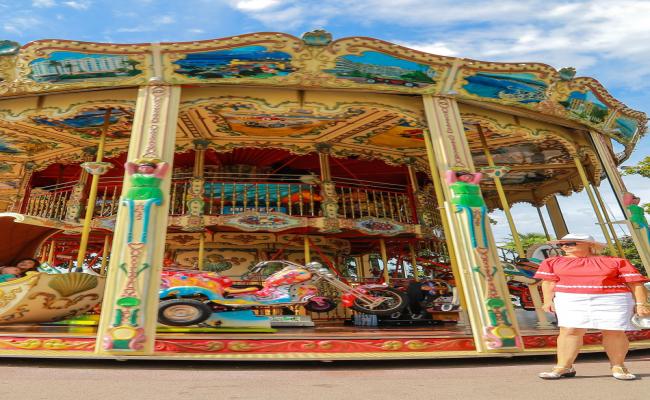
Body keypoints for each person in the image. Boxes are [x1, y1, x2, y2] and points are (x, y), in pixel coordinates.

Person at [535, 234, 650, 380]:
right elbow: (548, 282)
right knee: (569, 330)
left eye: (570, 243)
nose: (564, 246)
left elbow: (635, 283)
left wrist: (641, 304)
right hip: (569, 299)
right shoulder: (552, 262)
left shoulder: (615, 262)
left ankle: (618, 366)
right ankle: (563, 367)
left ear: (589, 244)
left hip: (612, 299)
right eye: (561, 244)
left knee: (614, 331)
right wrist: (547, 301)